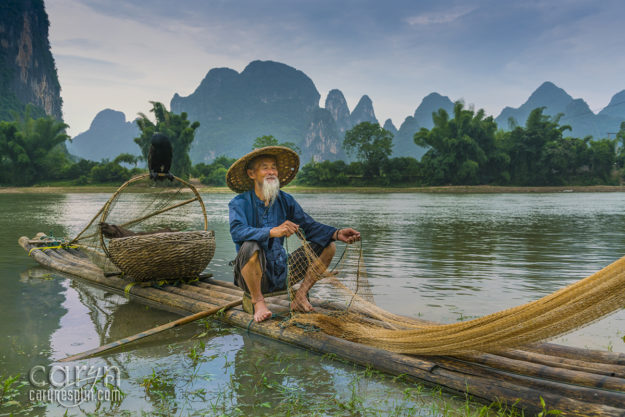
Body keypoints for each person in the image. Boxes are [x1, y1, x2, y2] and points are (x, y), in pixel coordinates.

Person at [227, 146, 360, 322]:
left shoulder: (285, 200)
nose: (271, 172)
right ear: (252, 174)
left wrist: (336, 233)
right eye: (265, 167)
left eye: (274, 167)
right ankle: (258, 301)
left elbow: (308, 227)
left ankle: (300, 296)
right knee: (251, 246)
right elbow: (237, 231)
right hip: (253, 276)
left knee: (328, 245)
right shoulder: (239, 203)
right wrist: (271, 232)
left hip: (283, 271)